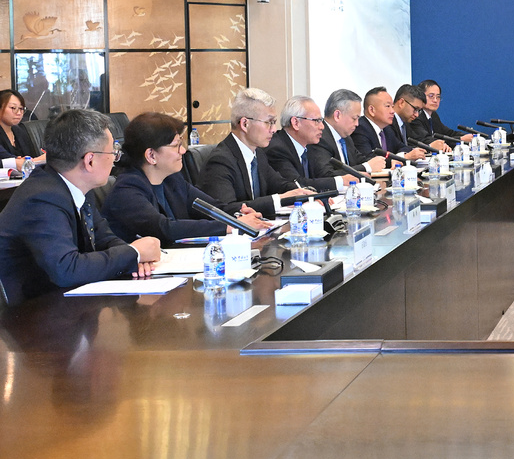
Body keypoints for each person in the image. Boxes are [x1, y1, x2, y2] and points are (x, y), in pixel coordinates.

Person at [0, 109, 161, 306]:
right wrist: (134, 252)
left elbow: (104, 239)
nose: (115, 159)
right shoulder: (42, 197)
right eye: (113, 152)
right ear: (90, 160)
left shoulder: (77, 186)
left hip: (64, 306)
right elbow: (66, 269)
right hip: (27, 314)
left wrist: (135, 259)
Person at [104, 112, 266, 245]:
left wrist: (238, 215)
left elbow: (212, 208)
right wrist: (231, 226)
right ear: (151, 155)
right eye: (176, 146)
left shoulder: (172, 180)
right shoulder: (127, 189)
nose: (183, 151)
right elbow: (165, 228)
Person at [197, 88, 313, 217]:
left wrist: (305, 195)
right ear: (245, 124)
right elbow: (227, 210)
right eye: (269, 122)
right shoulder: (220, 161)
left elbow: (279, 184)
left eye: (274, 122)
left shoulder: (258, 154)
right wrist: (279, 199)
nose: (274, 129)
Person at [265, 95, 358, 190]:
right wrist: (339, 182)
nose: (322, 127)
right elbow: (296, 184)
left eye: (321, 121)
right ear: (296, 123)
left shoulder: (310, 146)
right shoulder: (277, 149)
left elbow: (319, 177)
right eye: (316, 121)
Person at [309, 88, 387, 176]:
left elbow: (361, 160)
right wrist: (367, 167)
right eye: (354, 118)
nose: (357, 124)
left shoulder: (346, 138)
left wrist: (382, 162)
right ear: (337, 115)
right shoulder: (319, 138)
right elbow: (326, 174)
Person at [351, 86, 428, 162]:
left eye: (392, 106)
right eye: (388, 106)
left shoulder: (387, 129)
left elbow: (403, 147)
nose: (392, 111)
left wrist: (402, 156)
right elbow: (369, 160)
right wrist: (405, 157)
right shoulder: (360, 129)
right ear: (371, 110)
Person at [410, 79, 473, 150]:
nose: (435, 100)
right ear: (421, 96)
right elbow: (426, 140)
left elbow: (448, 133)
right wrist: (460, 139)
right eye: (431, 96)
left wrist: (469, 136)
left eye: (438, 97)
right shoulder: (416, 116)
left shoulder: (433, 115)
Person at [0, 89, 45, 172]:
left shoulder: (20, 130)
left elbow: (31, 156)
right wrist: (37, 160)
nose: (19, 113)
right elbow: (5, 158)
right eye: (13, 108)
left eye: (21, 108)